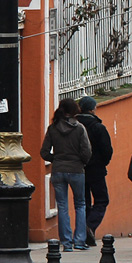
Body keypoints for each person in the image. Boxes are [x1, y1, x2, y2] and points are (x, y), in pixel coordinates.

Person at [40, 98, 92, 252]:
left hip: (58, 169)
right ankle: (80, 241)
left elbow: (44, 152)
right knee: (80, 204)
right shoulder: (80, 128)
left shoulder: (53, 128)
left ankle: (66, 243)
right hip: (76, 169)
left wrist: (55, 159)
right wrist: (82, 162)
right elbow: (87, 151)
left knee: (62, 206)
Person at [75, 96, 114, 247]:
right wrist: (102, 163)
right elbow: (107, 150)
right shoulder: (98, 127)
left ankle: (83, 232)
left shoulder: (75, 125)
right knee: (102, 199)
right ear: (92, 109)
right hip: (96, 169)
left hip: (79, 168)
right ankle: (89, 226)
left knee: (83, 202)